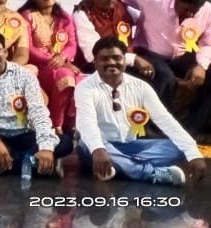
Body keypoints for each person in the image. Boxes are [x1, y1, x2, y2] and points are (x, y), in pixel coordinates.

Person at [74, 36, 206, 186]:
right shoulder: (85, 88)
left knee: (180, 147)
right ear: (95, 62)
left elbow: (165, 120)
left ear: (125, 60)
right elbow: (86, 124)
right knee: (85, 145)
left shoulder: (141, 86)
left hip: (133, 147)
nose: (111, 62)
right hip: (101, 146)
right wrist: (98, 149)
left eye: (116, 58)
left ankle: (121, 165)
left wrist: (194, 154)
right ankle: (151, 173)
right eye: (104, 59)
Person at [0, 30, 71, 176]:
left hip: (24, 133)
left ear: (5, 52)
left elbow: (38, 112)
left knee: (65, 142)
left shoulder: (24, 75)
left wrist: (46, 148)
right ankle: (32, 163)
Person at [118, 0, 211, 109]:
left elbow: (208, 43)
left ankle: (194, 120)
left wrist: (201, 66)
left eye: (194, 12)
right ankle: (157, 119)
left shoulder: (208, 10)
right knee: (165, 77)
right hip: (150, 53)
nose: (190, 15)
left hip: (183, 56)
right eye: (186, 10)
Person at [18, 0, 83, 132]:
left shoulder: (65, 17)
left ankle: (63, 125)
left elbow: (72, 45)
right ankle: (53, 124)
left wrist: (63, 58)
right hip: (39, 66)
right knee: (64, 75)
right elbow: (28, 47)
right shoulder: (27, 16)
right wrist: (53, 60)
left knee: (74, 79)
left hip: (62, 64)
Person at [73, 0, 140, 69]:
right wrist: (133, 59)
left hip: (128, 58)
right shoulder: (82, 14)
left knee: (159, 70)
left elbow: (145, 21)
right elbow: (92, 53)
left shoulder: (123, 7)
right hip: (99, 64)